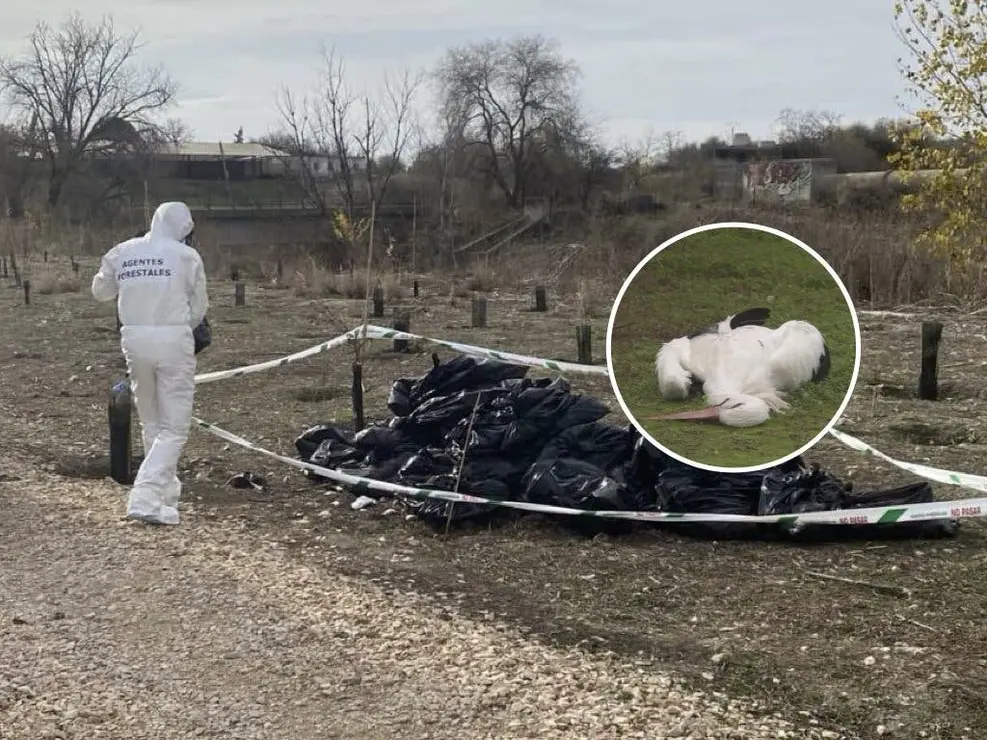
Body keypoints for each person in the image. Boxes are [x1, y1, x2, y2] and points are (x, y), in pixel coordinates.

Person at [92, 201, 209, 525]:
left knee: (152, 421)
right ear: (183, 227)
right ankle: (144, 495)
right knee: (175, 427)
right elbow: (199, 308)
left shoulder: (122, 251)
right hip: (173, 339)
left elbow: (100, 291)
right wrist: (180, 324)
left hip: (133, 340)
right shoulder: (187, 257)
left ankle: (164, 497)